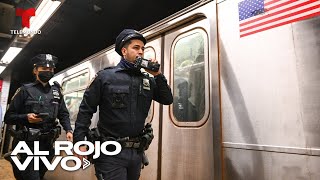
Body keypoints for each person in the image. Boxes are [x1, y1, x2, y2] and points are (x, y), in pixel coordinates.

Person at [73, 29, 173, 180]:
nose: (141, 52)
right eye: (136, 47)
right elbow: (85, 111)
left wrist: (157, 75)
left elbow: (167, 99)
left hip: (136, 153)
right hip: (110, 152)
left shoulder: (147, 80)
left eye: (142, 49)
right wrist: (79, 142)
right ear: (124, 51)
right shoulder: (105, 77)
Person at [4, 54, 73, 180]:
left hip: (47, 145)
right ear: (35, 70)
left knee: (39, 176)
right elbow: (8, 117)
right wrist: (26, 117)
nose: (48, 72)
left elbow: (63, 113)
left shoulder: (56, 92)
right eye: (44, 69)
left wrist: (68, 129)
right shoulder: (25, 90)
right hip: (27, 144)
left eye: (51, 70)